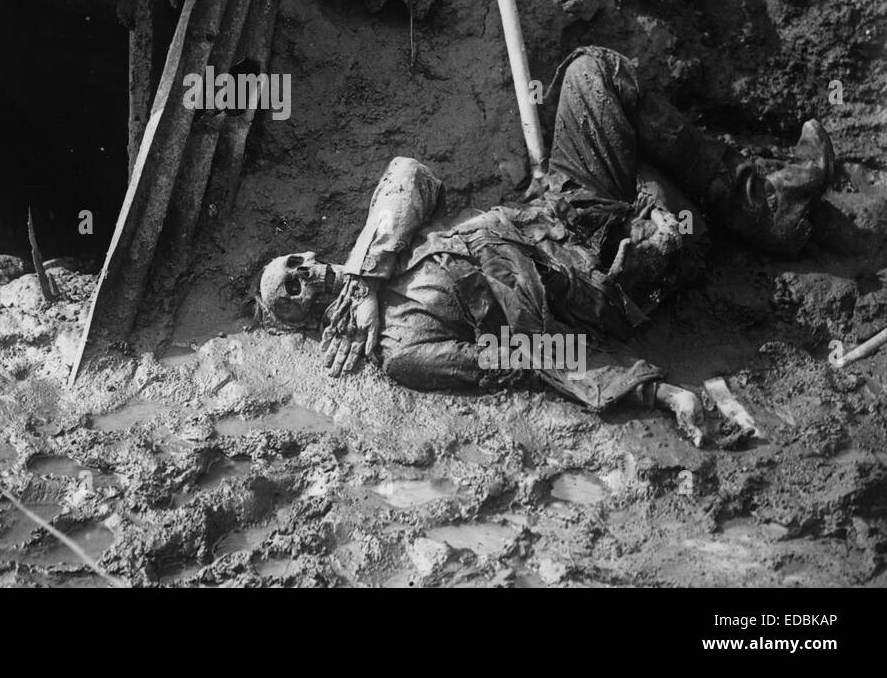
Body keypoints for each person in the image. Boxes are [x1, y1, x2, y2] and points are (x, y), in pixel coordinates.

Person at [258, 46, 834, 445]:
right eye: (294, 284)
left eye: (297, 258)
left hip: (566, 203)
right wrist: (658, 394)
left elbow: (410, 173)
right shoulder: (400, 348)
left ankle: (766, 206)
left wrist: (366, 276)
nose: (307, 267)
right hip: (603, 274)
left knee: (592, 70)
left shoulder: (378, 252)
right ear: (302, 320)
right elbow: (523, 361)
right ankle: (707, 217)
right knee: (666, 223)